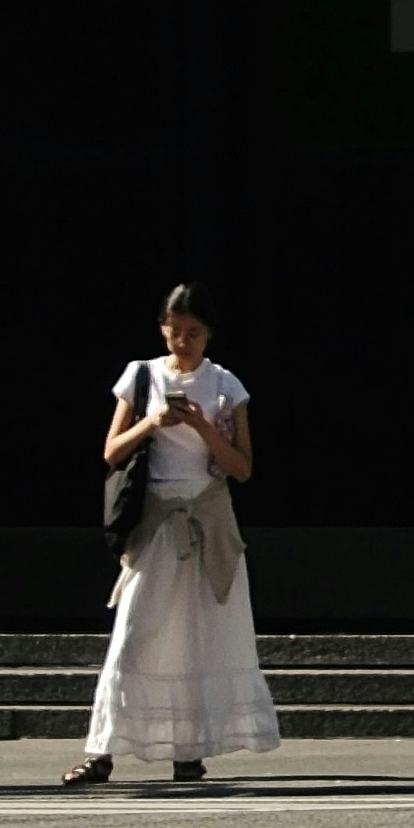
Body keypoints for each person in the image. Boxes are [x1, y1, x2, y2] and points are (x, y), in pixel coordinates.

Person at [67, 284, 276, 790]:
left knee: (199, 636)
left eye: (194, 333)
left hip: (207, 522)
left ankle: (190, 749)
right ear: (162, 328)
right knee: (133, 634)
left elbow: (242, 468)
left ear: (209, 334)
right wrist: (153, 422)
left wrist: (205, 429)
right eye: (175, 331)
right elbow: (112, 451)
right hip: (157, 522)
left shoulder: (226, 384)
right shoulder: (141, 375)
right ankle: (102, 750)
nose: (183, 341)